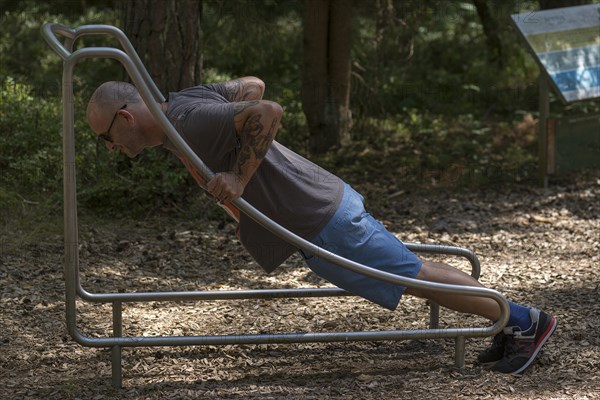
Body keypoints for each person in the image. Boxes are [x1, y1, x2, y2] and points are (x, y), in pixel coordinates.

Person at [86, 77, 557, 375]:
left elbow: (266, 111)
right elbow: (251, 85)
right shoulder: (183, 108)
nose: (110, 147)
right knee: (413, 274)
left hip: (321, 214)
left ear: (125, 117)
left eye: (106, 137)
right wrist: (242, 171)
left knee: (411, 275)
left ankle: (522, 321)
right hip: (315, 214)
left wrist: (240, 176)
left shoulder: (186, 120)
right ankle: (508, 324)